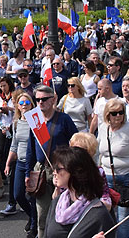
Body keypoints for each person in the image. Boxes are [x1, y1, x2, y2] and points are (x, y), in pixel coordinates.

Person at [26, 85, 78, 238]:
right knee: (42, 214)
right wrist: (28, 172)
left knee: (64, 213)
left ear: (53, 99)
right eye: (37, 100)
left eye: (44, 99)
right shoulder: (35, 119)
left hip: (62, 171)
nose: (40, 102)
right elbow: (31, 148)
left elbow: (76, 144)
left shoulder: (64, 119)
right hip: (41, 170)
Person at [99, 98, 129, 238]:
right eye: (114, 113)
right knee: (107, 217)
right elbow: (99, 152)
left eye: (121, 112)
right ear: (107, 114)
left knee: (123, 219)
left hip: (127, 178)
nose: (118, 116)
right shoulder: (103, 128)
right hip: (107, 178)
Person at [44, 146, 115, 238]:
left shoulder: (99, 215)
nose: (54, 172)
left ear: (75, 173)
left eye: (58, 168)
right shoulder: (57, 202)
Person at [3, 92, 37, 237]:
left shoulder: (36, 121)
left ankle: (35, 227)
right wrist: (8, 163)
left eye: (27, 103)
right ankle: (32, 216)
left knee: (32, 196)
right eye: (21, 103)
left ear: (31, 104)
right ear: (17, 106)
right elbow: (14, 145)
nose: (24, 106)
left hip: (33, 164)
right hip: (20, 163)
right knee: (18, 195)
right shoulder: (16, 123)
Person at [0, 77, 16, 205]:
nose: (3, 88)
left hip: (12, 126)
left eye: (4, 85)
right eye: (1, 86)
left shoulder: (14, 95)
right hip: (1, 127)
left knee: (11, 151)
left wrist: (10, 109)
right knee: (1, 151)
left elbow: (18, 110)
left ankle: (11, 171)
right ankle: (3, 174)